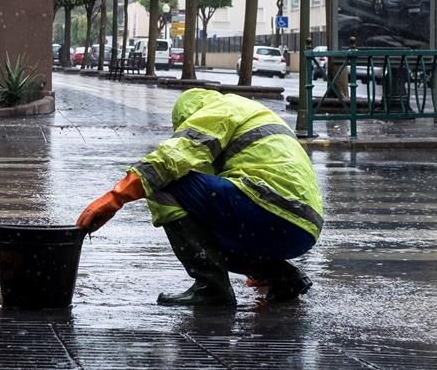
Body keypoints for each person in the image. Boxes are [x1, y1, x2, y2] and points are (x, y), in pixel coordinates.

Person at [77, 88, 323, 307]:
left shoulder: (219, 111)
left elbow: (171, 159)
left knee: (163, 183)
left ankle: (211, 288)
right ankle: (283, 276)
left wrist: (116, 197)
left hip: (266, 206)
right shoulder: (254, 112)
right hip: (301, 230)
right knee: (203, 223)